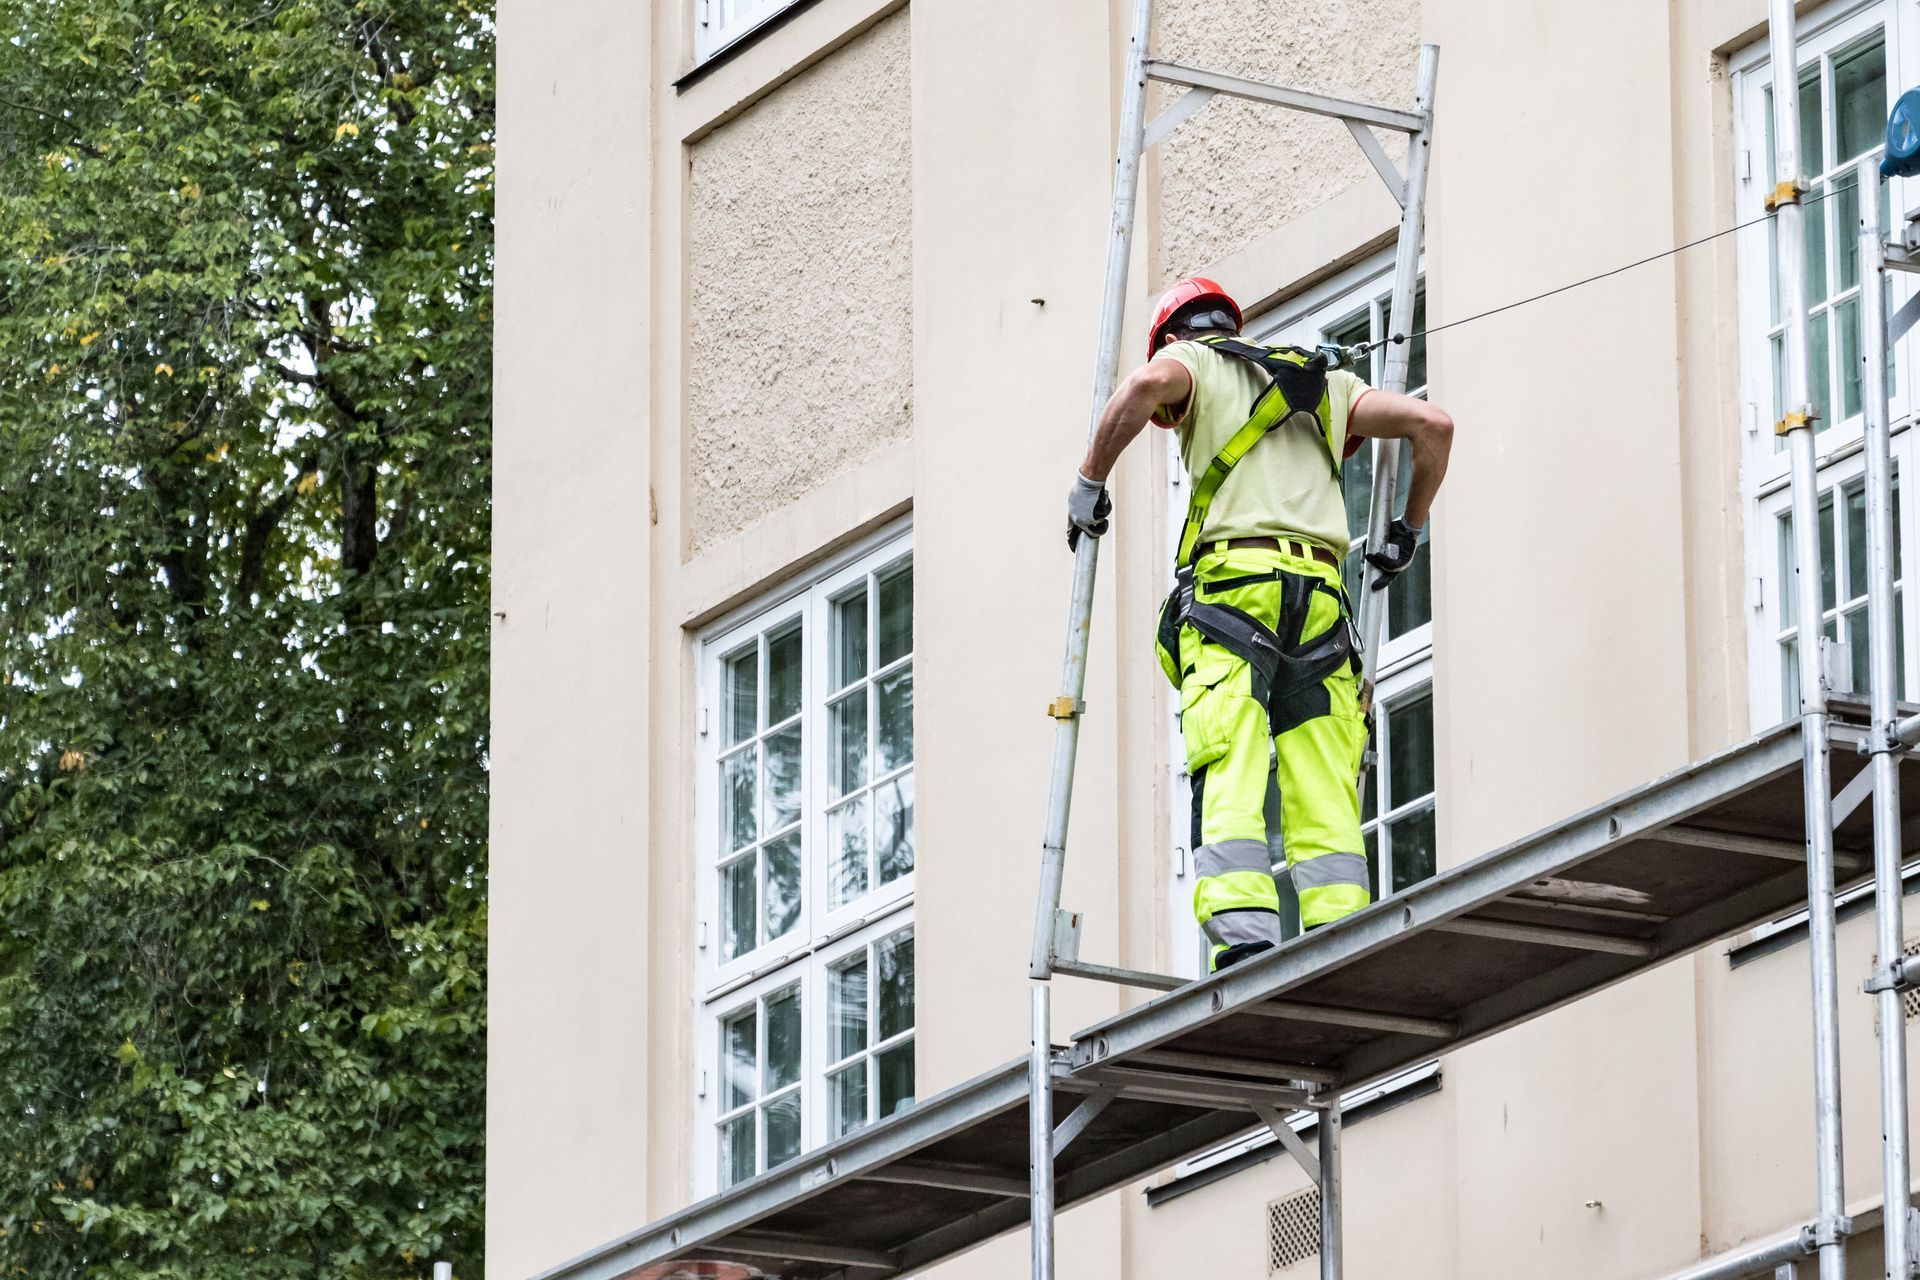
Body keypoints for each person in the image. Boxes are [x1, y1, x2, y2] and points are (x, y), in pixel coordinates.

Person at [1066, 276, 1453, 972]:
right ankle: (1341, 938)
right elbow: (1435, 426)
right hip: (1323, 611)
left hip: (1236, 601)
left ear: (1177, 335)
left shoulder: (1196, 364)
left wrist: (1090, 483)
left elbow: (1142, 389)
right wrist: (1407, 530)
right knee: (1323, 779)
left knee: (1231, 761)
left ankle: (1245, 941)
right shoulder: (1325, 383)